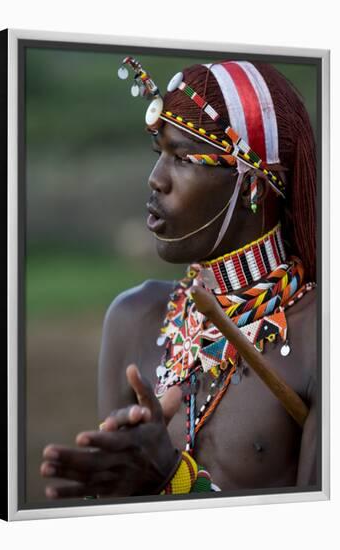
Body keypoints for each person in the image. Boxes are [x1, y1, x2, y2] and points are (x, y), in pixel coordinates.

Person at [40, 58, 317, 498]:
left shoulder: (318, 339)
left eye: (183, 159)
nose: (156, 180)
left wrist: (174, 479)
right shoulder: (133, 317)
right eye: (160, 155)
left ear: (253, 186)